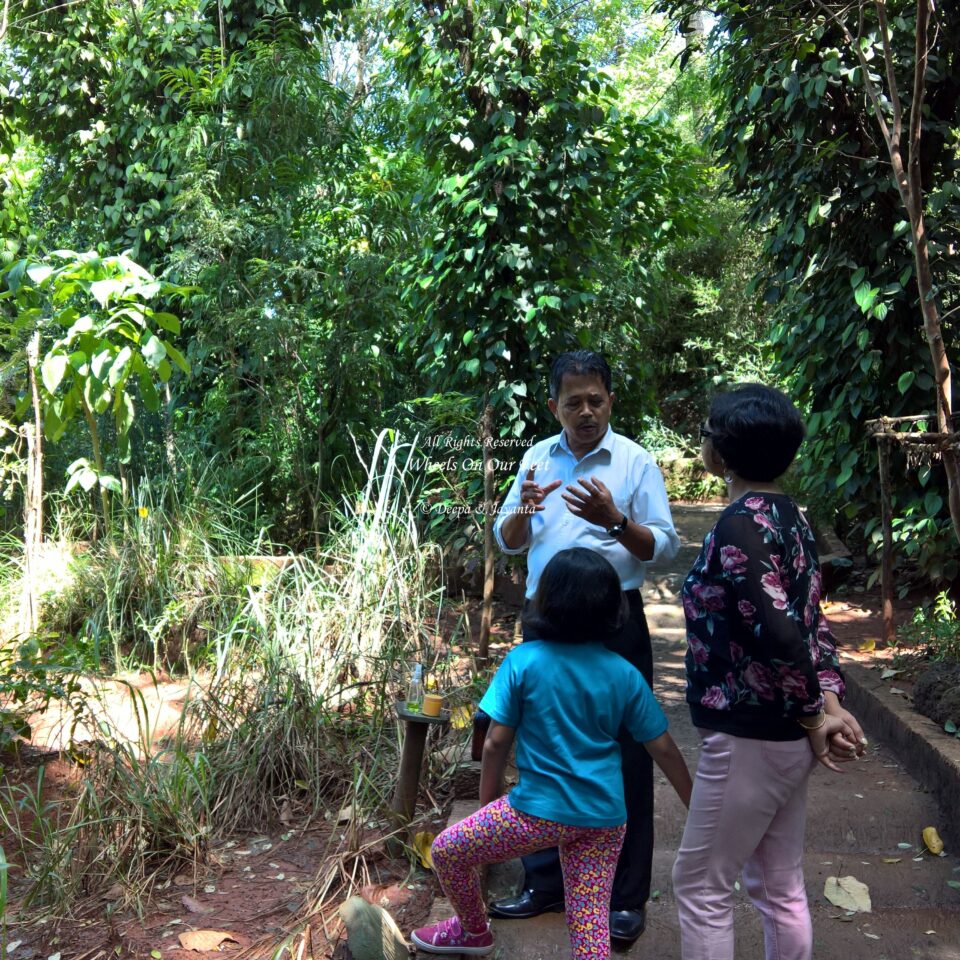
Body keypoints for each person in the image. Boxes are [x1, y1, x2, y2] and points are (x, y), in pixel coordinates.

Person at [411, 548, 693, 958]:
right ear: (613, 607)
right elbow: (663, 748)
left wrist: (486, 802)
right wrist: (693, 803)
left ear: (546, 600)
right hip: (604, 819)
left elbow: (494, 742)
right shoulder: (623, 673)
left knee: (447, 851)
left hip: (535, 815)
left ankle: (473, 931)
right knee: (590, 926)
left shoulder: (524, 661)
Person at [489, 349, 681, 945]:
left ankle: (624, 898)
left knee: (628, 754)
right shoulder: (535, 459)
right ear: (554, 406)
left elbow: (665, 548)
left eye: (596, 399)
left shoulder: (633, 461)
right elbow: (509, 540)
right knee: (541, 751)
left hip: (614, 623)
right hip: (545, 624)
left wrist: (615, 520)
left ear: (610, 400)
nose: (586, 411)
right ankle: (543, 882)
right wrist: (524, 504)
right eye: (574, 401)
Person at [672, 383, 868, 960]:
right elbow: (812, 623)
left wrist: (816, 711)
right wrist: (827, 701)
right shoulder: (791, 518)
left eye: (708, 432)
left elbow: (783, 632)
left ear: (721, 454)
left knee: (701, 886)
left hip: (749, 733)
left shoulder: (740, 524)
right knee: (777, 885)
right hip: (782, 735)